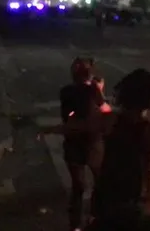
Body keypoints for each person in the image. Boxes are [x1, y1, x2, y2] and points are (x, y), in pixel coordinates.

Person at [46, 69, 150, 227]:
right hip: (131, 195)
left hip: (106, 192)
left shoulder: (110, 120)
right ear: (148, 98)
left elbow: (76, 126)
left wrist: (48, 130)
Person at [55, 58, 112, 231]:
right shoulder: (92, 90)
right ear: (90, 74)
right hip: (93, 144)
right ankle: (97, 217)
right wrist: (99, 90)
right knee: (100, 182)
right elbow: (106, 110)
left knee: (78, 186)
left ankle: (75, 225)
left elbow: (68, 115)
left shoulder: (65, 91)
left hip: (73, 144)